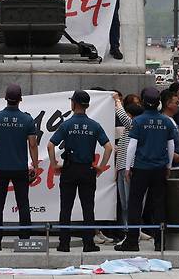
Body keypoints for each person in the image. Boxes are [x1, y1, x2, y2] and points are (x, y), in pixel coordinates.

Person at [48, 90, 113, 252]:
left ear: (74, 104)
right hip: (87, 170)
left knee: (66, 207)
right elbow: (109, 147)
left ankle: (64, 244)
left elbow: (50, 145)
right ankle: (88, 244)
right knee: (88, 207)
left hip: (69, 169)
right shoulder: (94, 125)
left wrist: (54, 164)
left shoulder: (67, 124)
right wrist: (101, 166)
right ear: (87, 106)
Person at [115, 87, 175, 252]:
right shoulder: (166, 121)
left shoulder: (139, 121)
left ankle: (132, 241)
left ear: (143, 102)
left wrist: (127, 168)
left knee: (134, 204)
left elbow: (132, 146)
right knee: (159, 205)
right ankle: (160, 242)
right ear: (159, 103)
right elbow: (171, 145)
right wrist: (168, 166)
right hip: (159, 168)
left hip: (141, 168)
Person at [0, 84, 38, 251]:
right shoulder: (27, 120)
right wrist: (35, 165)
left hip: (0, 167)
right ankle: (24, 241)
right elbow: (32, 144)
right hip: (19, 168)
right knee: (23, 203)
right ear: (20, 99)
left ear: (5, 98)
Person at [113, 94, 143, 239]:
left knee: (130, 202)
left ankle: (133, 231)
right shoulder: (130, 128)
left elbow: (123, 117)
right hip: (121, 168)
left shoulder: (134, 125)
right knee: (124, 203)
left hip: (128, 169)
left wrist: (117, 101)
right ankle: (128, 230)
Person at [161, 90, 179, 178]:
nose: (178, 106)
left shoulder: (172, 119)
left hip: (178, 165)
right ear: (168, 104)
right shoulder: (163, 120)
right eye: (176, 103)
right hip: (171, 165)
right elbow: (160, 141)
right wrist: (173, 155)